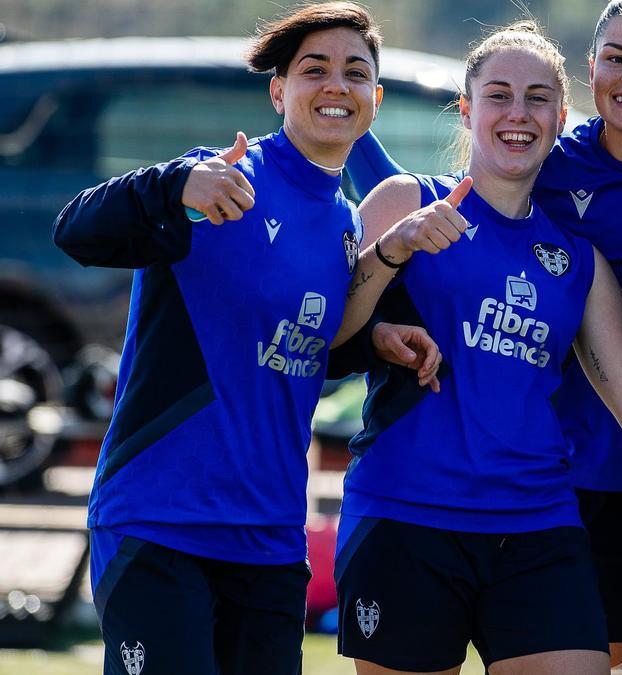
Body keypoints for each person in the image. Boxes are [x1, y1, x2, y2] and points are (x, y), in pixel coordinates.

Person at [326, 20, 622, 675]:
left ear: (561, 119)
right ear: (467, 109)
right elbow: (328, 332)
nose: (517, 113)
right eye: (498, 95)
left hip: (536, 523)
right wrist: (395, 248)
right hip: (407, 514)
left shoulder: (578, 261)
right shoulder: (407, 201)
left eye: (537, 99)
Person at [51, 4, 437, 674]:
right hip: (159, 524)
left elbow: (301, 345)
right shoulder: (221, 177)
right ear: (278, 90)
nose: (336, 85)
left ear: (375, 97)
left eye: (355, 72)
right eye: (314, 69)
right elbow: (76, 230)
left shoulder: (346, 224)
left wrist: (372, 338)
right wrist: (174, 186)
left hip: (269, 543)